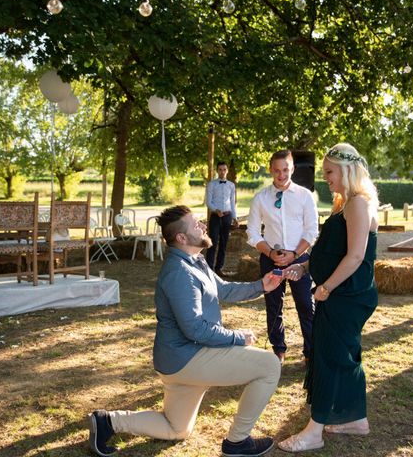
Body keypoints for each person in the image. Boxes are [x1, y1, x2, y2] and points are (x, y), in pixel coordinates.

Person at [88, 205, 282, 457]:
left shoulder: (195, 261)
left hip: (180, 361)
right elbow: (194, 328)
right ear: (181, 238)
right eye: (195, 224)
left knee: (176, 428)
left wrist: (261, 286)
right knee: (269, 365)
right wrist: (237, 337)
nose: (202, 225)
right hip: (187, 358)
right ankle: (237, 442)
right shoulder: (179, 272)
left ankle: (107, 421)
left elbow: (223, 290)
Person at [276, 143, 379, 452]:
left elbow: (356, 257)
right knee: (345, 355)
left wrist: (327, 287)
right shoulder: (345, 203)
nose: (326, 178)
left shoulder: (358, 204)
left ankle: (314, 431)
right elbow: (334, 250)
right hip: (342, 293)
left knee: (329, 357)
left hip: (347, 295)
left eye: (330, 172)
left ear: (346, 171)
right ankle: (355, 419)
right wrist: (305, 266)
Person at [246, 149, 319, 365]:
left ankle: (311, 351)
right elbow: (252, 232)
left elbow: (312, 231)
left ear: (292, 169)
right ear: (270, 170)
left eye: (285, 169)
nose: (281, 175)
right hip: (271, 258)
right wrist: (270, 252)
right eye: (277, 170)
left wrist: (294, 253)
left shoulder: (305, 196)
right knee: (274, 306)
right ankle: (278, 350)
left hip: (299, 259)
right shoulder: (260, 198)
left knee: (306, 305)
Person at [205, 161, 237, 276]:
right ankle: (209, 269)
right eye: (220, 169)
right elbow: (208, 202)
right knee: (212, 243)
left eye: (224, 169)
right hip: (215, 216)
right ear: (217, 171)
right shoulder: (211, 184)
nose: (222, 172)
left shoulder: (231, 185)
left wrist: (235, 218)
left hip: (227, 216)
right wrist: (215, 210)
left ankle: (219, 269)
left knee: (224, 244)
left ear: (227, 171)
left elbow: (233, 203)